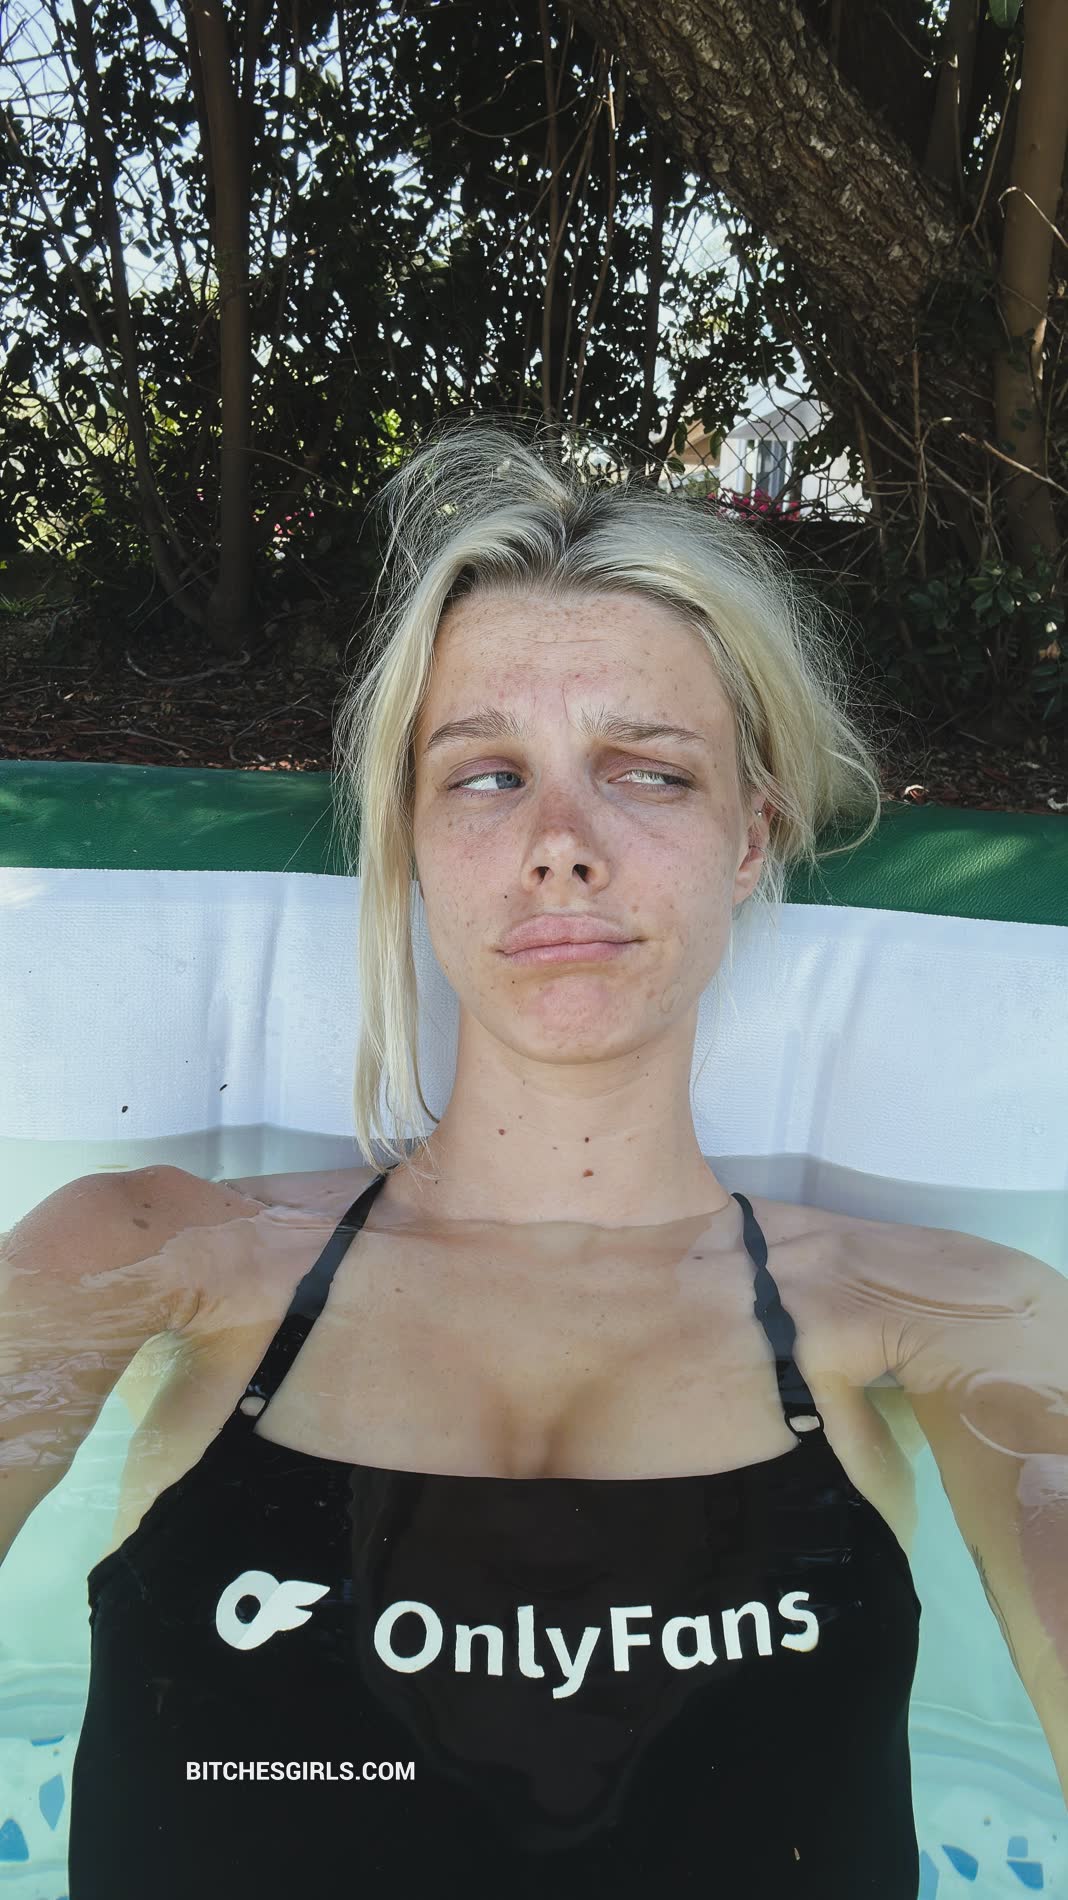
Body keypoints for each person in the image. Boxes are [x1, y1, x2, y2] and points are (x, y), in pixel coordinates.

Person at [12, 419, 921, 1895]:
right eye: (488, 775)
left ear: (752, 838)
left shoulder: (940, 1311)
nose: (562, 840)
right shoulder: (136, 1250)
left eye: (649, 771)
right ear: (416, 842)